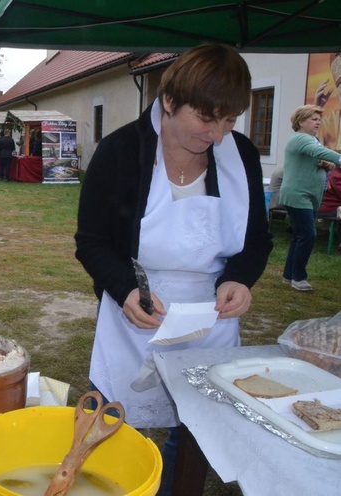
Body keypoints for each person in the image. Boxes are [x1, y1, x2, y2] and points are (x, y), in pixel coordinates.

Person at [74, 44, 273, 495]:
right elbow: (92, 243)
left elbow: (257, 239)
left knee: (191, 440)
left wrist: (240, 278)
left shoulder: (239, 154)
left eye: (230, 121)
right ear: (169, 101)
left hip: (211, 321)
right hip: (134, 317)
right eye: (207, 119)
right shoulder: (121, 150)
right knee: (108, 434)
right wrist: (125, 289)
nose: (219, 135)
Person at [279, 105, 341, 291]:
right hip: (298, 195)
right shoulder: (300, 138)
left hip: (308, 196)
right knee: (308, 234)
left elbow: (319, 159)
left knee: (299, 235)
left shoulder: (312, 140)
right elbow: (320, 153)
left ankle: (288, 275)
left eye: (319, 119)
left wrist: (326, 165)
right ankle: (299, 278)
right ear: (300, 122)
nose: (318, 122)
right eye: (314, 119)